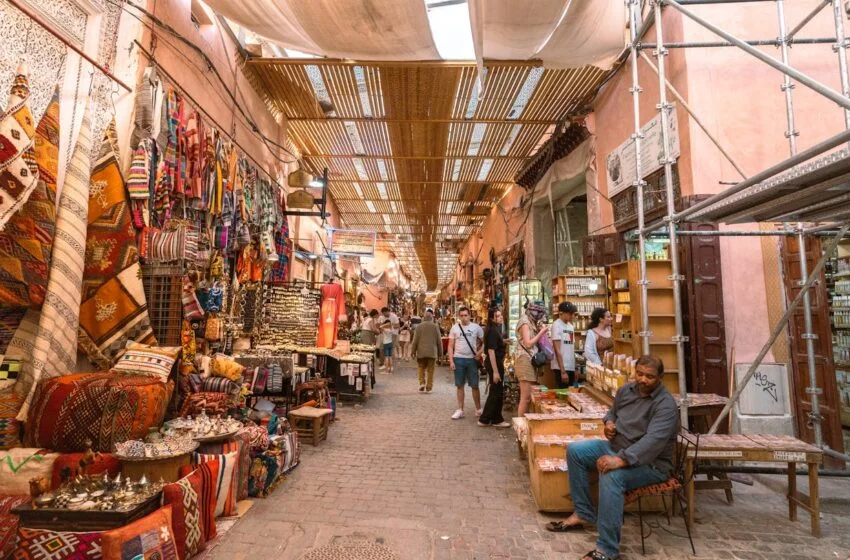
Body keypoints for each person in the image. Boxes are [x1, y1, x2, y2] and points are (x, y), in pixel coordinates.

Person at [548, 355, 678, 560]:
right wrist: (609, 424)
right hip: (616, 447)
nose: (643, 380)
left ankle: (607, 549)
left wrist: (620, 460)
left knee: (612, 476)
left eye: (650, 376)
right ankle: (583, 512)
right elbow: (612, 413)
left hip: (650, 464)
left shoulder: (665, 405)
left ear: (660, 377)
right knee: (576, 451)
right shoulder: (626, 390)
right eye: (640, 374)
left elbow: (653, 442)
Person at [514, 300, 550, 417]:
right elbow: (528, 343)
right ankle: (521, 426)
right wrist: (541, 333)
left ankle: (526, 423)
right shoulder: (524, 322)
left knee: (529, 397)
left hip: (529, 360)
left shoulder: (532, 321)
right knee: (525, 397)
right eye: (539, 312)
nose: (540, 315)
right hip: (524, 360)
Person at [448, 306, 485, 420]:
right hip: (458, 359)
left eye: (466, 315)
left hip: (471, 360)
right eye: (462, 315)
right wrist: (451, 361)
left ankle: (478, 409)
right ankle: (460, 409)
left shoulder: (476, 328)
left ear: (470, 316)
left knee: (475, 385)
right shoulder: (454, 328)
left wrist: (479, 353)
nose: (464, 318)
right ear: (459, 316)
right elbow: (450, 345)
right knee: (459, 385)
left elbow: (485, 342)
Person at [478, 308, 510, 428]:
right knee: (495, 391)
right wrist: (495, 372)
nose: (501, 317)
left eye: (501, 315)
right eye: (498, 315)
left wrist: (504, 341)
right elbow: (491, 351)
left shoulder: (494, 329)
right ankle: (486, 419)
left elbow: (494, 345)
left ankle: (495, 418)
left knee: (496, 391)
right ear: (492, 318)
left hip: (496, 362)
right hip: (494, 363)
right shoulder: (492, 330)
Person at [411, 310, 442, 392]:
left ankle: (422, 383)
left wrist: (413, 352)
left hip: (421, 352)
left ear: (423, 318)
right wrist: (440, 353)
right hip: (432, 352)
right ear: (432, 318)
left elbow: (415, 341)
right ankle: (429, 386)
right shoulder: (435, 326)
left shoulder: (419, 327)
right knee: (431, 370)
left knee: (421, 367)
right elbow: (439, 341)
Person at [551, 302, 578, 388]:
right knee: (562, 394)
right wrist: (563, 371)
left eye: (572, 313)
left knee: (571, 393)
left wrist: (575, 368)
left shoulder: (570, 326)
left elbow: (571, 347)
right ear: (561, 313)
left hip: (570, 366)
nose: (572, 316)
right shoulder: (556, 325)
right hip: (560, 368)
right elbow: (557, 349)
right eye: (569, 313)